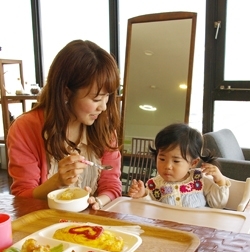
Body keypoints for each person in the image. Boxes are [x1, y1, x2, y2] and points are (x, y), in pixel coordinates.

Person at [7, 40, 122, 210]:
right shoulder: (25, 128)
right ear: (66, 92)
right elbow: (22, 198)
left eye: (108, 97)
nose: (103, 107)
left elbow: (111, 185)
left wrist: (98, 201)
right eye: (96, 99)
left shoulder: (104, 129)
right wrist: (57, 182)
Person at [128, 123, 230, 208]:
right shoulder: (155, 185)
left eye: (176, 161)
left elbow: (218, 205)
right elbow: (148, 211)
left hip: (198, 229)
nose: (167, 166)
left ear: (193, 163)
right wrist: (141, 196)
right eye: (162, 159)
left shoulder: (199, 179)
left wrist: (220, 181)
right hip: (168, 229)